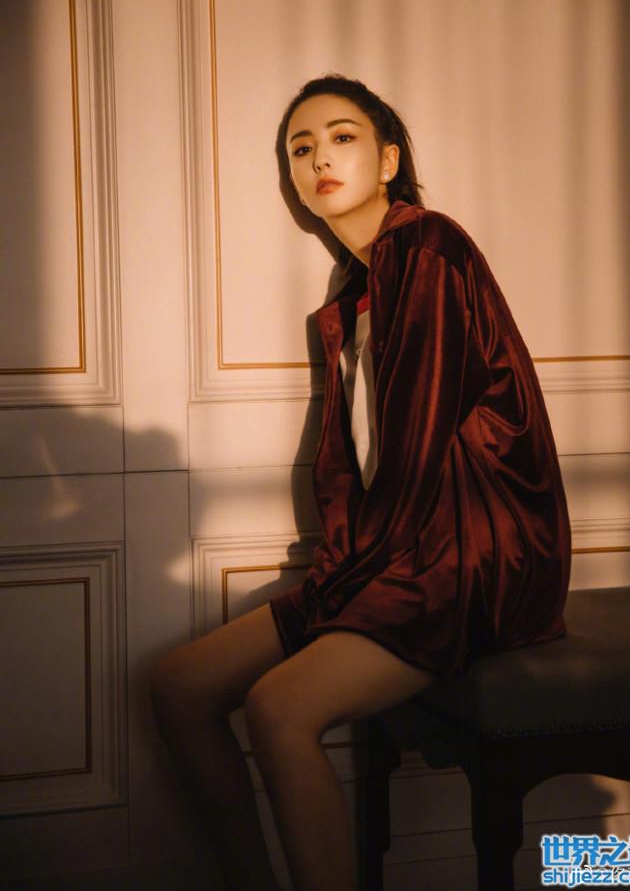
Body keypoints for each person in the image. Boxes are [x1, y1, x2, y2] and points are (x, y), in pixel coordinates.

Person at [150, 74, 571, 891]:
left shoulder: (428, 246)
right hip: (394, 549)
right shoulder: (354, 294)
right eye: (299, 148)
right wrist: (342, 568)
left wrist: (350, 574)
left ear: (387, 161)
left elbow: (417, 447)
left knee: (278, 709)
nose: (318, 159)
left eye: (341, 138)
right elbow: (360, 471)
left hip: (470, 552)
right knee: (177, 687)